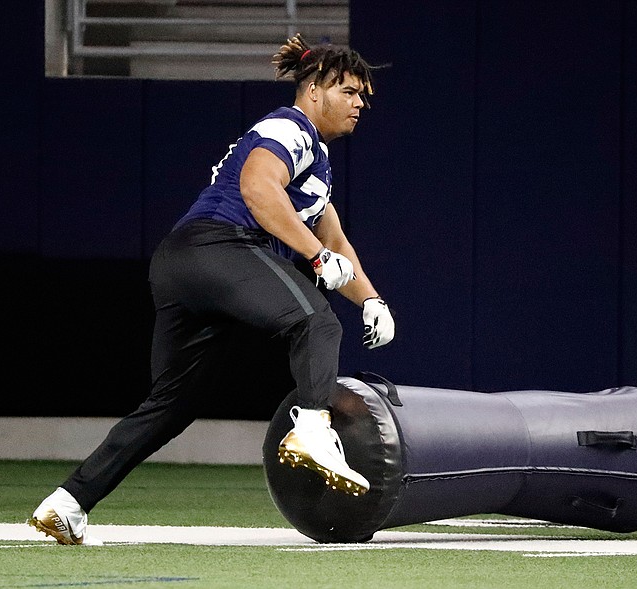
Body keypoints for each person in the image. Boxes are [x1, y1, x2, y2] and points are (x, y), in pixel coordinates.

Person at [29, 34, 395, 546]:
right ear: (313, 90)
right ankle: (312, 429)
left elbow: (335, 239)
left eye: (363, 96)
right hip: (217, 246)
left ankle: (69, 502)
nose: (360, 103)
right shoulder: (291, 127)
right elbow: (258, 189)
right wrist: (313, 257)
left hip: (182, 263)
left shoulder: (317, 164)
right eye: (350, 91)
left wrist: (371, 299)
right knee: (314, 320)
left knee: (172, 405)